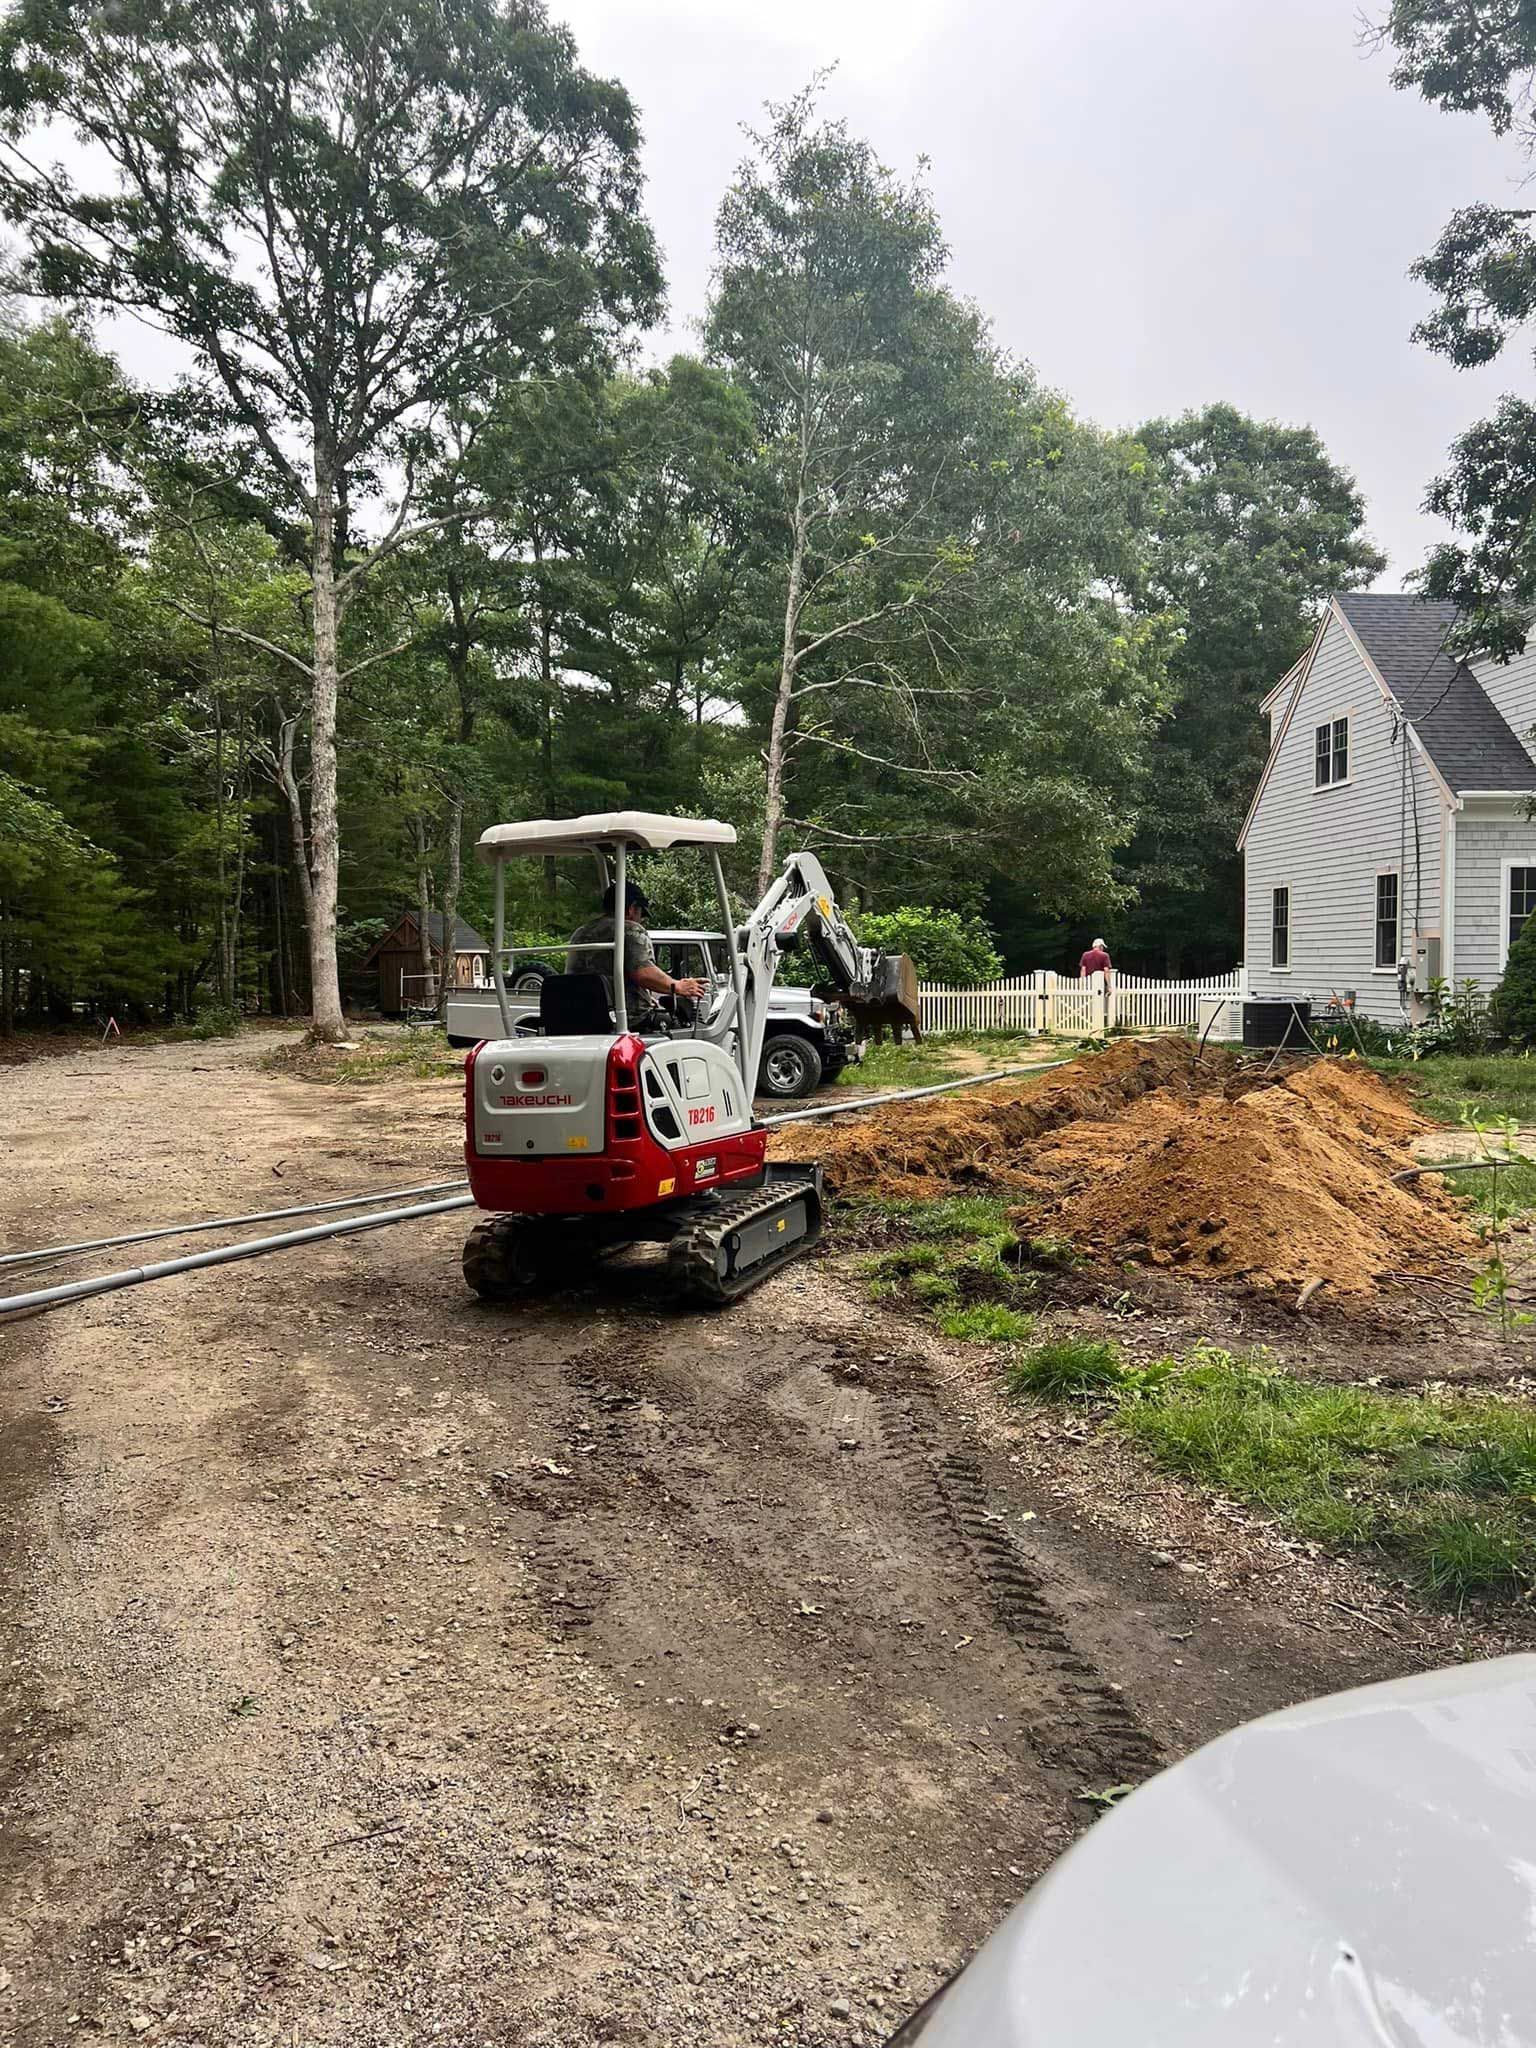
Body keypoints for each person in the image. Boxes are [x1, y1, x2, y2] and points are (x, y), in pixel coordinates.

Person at [566, 881, 706, 1018]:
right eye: (641, 913)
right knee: (681, 1019)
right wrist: (678, 986)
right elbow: (644, 974)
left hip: (581, 1014)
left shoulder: (581, 932)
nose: (640, 920)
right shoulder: (629, 929)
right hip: (623, 1017)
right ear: (632, 908)